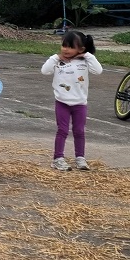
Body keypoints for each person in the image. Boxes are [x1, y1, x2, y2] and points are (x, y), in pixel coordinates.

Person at [40, 30, 102, 171]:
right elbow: (45, 71)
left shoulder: (85, 61)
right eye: (63, 45)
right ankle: (58, 158)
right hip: (62, 102)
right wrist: (55, 57)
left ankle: (80, 158)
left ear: (81, 49)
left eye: (70, 47)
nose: (65, 49)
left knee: (79, 131)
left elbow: (98, 71)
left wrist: (86, 55)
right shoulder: (58, 61)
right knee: (62, 130)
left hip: (80, 104)